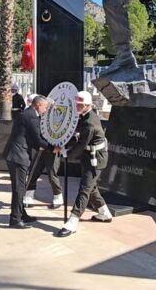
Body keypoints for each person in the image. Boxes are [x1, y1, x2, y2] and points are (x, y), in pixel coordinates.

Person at [57, 91, 113, 237]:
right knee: (91, 187)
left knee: (84, 190)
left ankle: (73, 221)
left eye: (79, 104)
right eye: (76, 103)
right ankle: (104, 213)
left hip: (96, 159)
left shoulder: (89, 122)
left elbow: (81, 144)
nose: (77, 106)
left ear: (87, 105)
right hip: (88, 157)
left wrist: (67, 153)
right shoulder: (84, 116)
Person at [3, 95, 52, 229]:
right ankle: (15, 219)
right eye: (45, 107)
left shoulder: (28, 114)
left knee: (20, 187)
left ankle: (21, 213)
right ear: (39, 105)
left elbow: (32, 138)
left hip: (15, 154)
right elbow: (37, 139)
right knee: (19, 188)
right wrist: (53, 148)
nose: (46, 109)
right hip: (18, 156)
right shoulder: (31, 117)